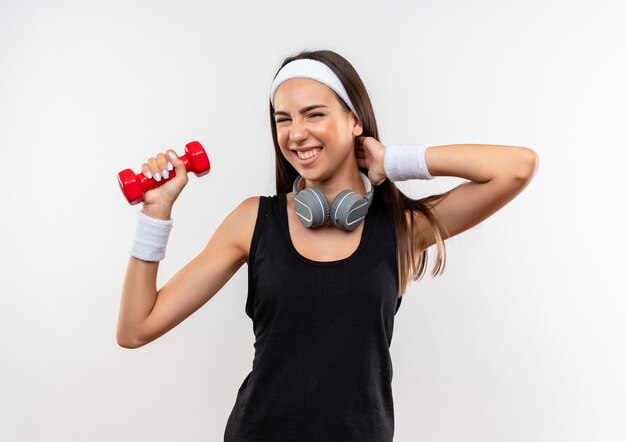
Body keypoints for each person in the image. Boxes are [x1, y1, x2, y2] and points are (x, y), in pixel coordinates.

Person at [116, 49, 539, 441]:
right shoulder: (253, 220)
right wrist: (156, 212)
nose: (296, 134)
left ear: (355, 120)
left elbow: (516, 168)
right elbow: (136, 329)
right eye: (283, 119)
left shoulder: (402, 228)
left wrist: (394, 160)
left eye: (313, 114)